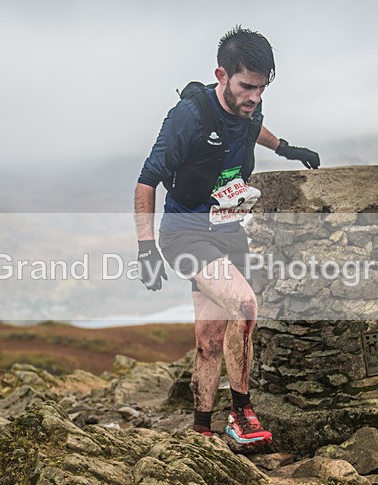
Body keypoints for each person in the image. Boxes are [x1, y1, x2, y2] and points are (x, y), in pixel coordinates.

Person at [134, 26, 319, 446]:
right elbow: (147, 182)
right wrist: (146, 249)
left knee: (209, 339)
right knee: (246, 305)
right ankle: (241, 413)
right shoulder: (190, 117)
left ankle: (201, 430)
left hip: (228, 231)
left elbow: (256, 130)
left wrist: (287, 148)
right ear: (222, 75)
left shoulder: (249, 110)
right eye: (246, 86)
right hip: (185, 234)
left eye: (262, 88)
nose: (254, 97)